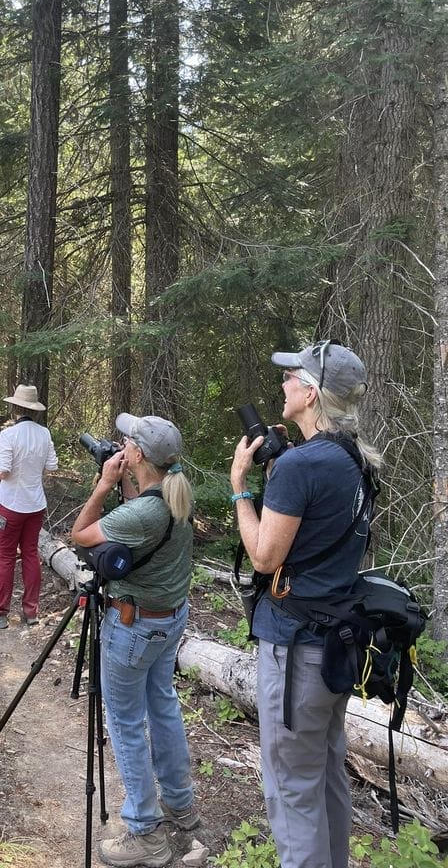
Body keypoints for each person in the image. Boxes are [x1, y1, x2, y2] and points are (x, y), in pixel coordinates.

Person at [229, 340, 380, 868]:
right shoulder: (352, 457)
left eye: (292, 377)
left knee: (291, 786)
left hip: (297, 649)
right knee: (326, 773)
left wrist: (240, 489)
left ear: (311, 393)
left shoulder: (303, 466)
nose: (283, 384)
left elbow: (266, 557)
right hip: (337, 642)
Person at [71, 413, 197, 868]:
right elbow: (141, 517)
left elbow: (81, 535)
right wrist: (127, 480)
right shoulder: (176, 491)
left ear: (138, 454)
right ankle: (180, 805)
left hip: (134, 625)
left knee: (125, 722)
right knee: (162, 703)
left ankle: (145, 832)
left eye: (128, 440)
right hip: (171, 618)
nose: (121, 443)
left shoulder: (146, 511)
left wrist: (104, 484)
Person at [0, 385, 58, 629]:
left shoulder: (10, 435)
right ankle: (31, 611)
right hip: (35, 504)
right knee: (31, 554)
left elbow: (4, 471)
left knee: (6, 557)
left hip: (10, 505)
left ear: (14, 408)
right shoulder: (45, 434)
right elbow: (52, 466)